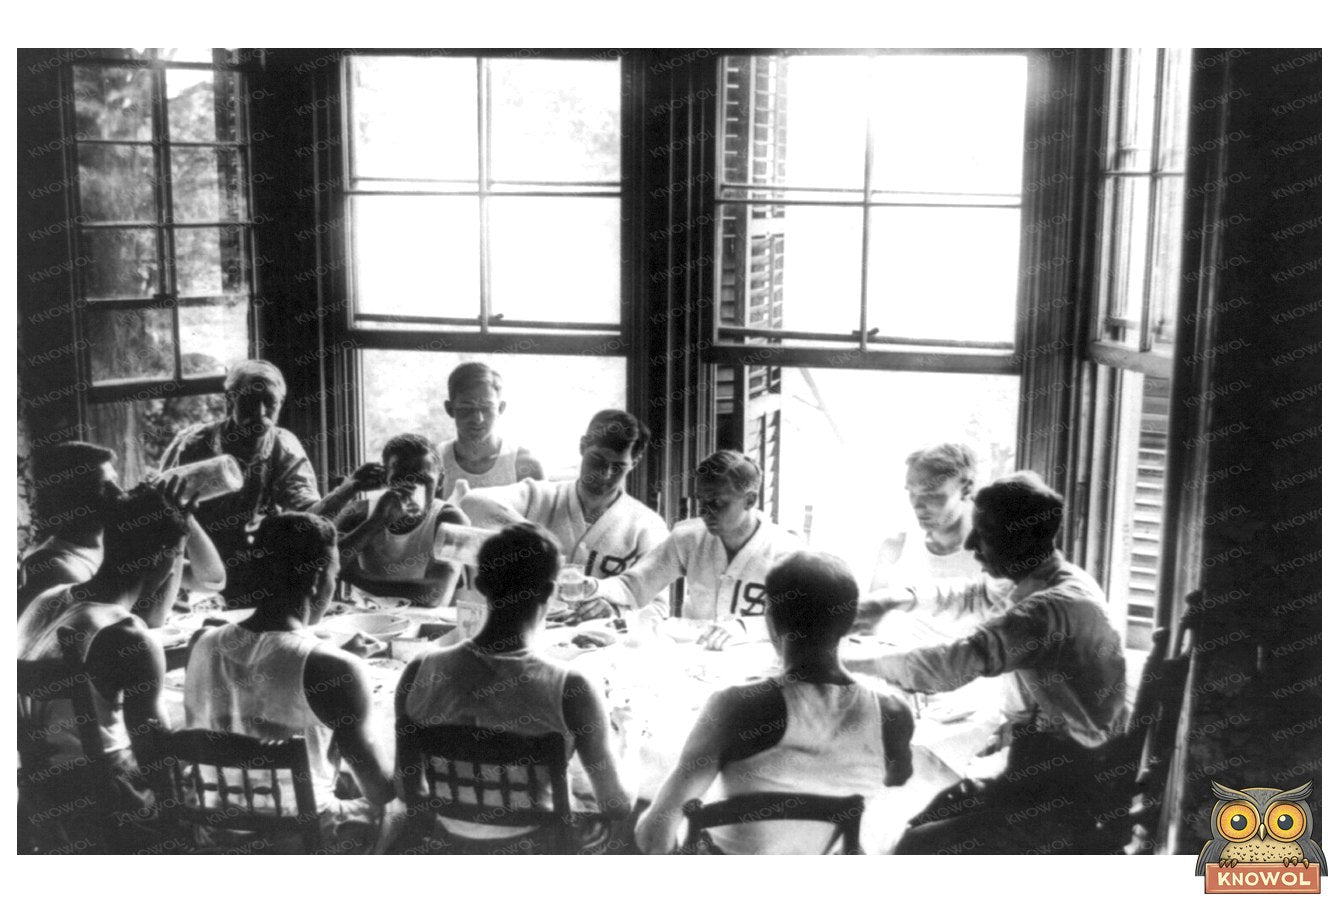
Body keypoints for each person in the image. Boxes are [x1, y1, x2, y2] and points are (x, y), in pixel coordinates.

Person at [845, 471, 1128, 854]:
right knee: (913, 821)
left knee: (914, 842)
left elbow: (948, 667)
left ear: (1023, 537)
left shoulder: (1046, 610)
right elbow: (974, 593)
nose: (971, 543)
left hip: (1065, 782)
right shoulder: (1053, 576)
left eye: (986, 533)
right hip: (1045, 756)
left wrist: (840, 657)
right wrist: (894, 599)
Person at [635, 551, 915, 854]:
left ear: (770, 619)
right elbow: (896, 785)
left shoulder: (736, 706)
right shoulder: (894, 712)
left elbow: (655, 834)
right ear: (849, 622)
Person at [389, 523, 631, 853]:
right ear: (549, 592)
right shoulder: (571, 687)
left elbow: (405, 789)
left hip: (447, 845)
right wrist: (627, 732)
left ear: (481, 584)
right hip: (537, 849)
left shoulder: (419, 669)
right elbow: (616, 805)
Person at [183, 512, 395, 850]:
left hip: (217, 833)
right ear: (314, 579)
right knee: (404, 804)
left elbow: (267, 665)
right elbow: (380, 789)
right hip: (299, 839)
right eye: (333, 576)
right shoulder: (335, 669)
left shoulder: (202, 642)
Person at [18, 484, 188, 853]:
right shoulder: (126, 634)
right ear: (164, 556)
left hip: (34, 789)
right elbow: (154, 752)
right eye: (178, 557)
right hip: (100, 793)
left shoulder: (47, 598)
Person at [574, 450, 804, 650]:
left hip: (757, 663)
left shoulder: (786, 552)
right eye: (701, 502)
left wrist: (745, 628)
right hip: (697, 658)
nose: (705, 512)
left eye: (717, 503)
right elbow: (636, 585)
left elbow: (803, 619)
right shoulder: (690, 538)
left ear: (750, 500)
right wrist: (595, 587)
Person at [458, 409, 669, 611]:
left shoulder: (648, 525)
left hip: (602, 642)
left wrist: (616, 609)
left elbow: (659, 605)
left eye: (618, 467)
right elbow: (473, 502)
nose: (605, 474)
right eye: (597, 461)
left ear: (635, 462)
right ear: (583, 446)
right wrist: (537, 540)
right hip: (528, 631)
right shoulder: (538, 496)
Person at [160, 359, 321, 607]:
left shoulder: (283, 445)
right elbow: (162, 508)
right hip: (202, 571)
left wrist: (347, 490)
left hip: (263, 568)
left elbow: (308, 511)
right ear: (230, 399)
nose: (260, 413)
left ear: (280, 403)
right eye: (248, 402)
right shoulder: (195, 444)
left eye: (270, 402)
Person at [855, 443, 1009, 638]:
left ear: (966, 489)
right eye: (911, 493)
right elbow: (868, 626)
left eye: (932, 495)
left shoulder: (999, 553)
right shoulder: (895, 547)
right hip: (900, 661)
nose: (918, 506)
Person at [319, 433, 468, 607]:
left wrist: (358, 577)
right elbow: (323, 568)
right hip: (367, 619)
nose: (411, 489)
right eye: (400, 479)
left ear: (440, 481)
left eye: (422, 481)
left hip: (424, 620)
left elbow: (436, 595)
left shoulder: (451, 519)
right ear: (386, 478)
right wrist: (376, 521)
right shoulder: (360, 513)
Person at [19, 441, 122, 615]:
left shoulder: (113, 544)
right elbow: (112, 629)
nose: (119, 493)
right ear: (71, 498)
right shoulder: (52, 567)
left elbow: (153, 616)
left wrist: (174, 541)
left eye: (115, 482)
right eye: (105, 487)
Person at [435, 362, 544, 496]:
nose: (478, 419)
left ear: (500, 408)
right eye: (467, 408)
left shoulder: (525, 465)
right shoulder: (435, 462)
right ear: (450, 409)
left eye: (486, 408)